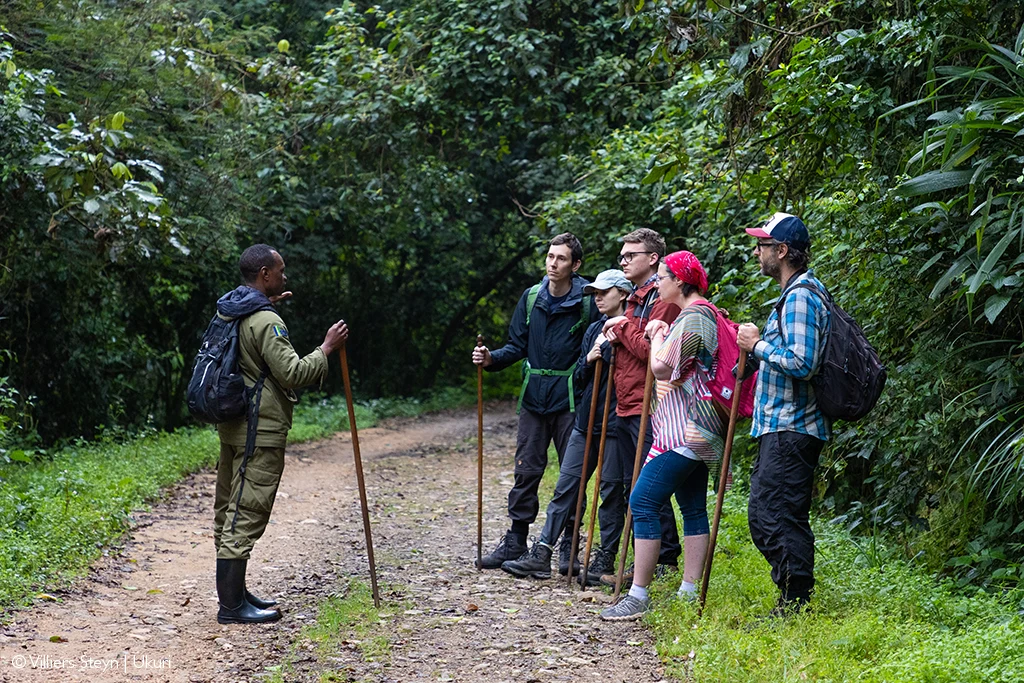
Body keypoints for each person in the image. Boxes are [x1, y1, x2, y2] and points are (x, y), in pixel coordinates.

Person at [213, 244, 349, 624]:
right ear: (265, 274)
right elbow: (292, 373)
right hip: (260, 429)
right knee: (247, 511)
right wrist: (326, 348)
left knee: (228, 509)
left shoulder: (231, 309)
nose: (285, 276)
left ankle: (237, 594)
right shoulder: (265, 320)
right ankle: (231, 607)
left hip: (232, 424)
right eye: (280, 271)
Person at [600, 252, 726, 621]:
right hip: (698, 429)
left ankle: (638, 595)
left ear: (680, 281)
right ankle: (688, 592)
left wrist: (656, 334)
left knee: (642, 503)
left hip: (685, 431)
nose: (658, 283)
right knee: (692, 508)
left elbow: (661, 368)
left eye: (663, 276)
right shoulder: (702, 315)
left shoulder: (694, 316)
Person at [473, 233, 600, 570]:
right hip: (533, 399)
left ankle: (568, 547)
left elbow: (595, 348)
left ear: (575, 265)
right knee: (526, 470)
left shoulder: (587, 302)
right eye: (550, 256)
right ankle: (516, 541)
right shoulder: (532, 298)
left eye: (561, 258)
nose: (553, 263)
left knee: (573, 475)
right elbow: (517, 346)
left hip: (571, 399)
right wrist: (491, 358)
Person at [500, 269, 631, 582]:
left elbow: (633, 373)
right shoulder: (594, 328)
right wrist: (590, 359)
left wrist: (610, 353)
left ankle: (604, 559)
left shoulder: (632, 328)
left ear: (623, 294)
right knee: (566, 486)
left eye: (604, 292)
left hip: (616, 423)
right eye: (595, 293)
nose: (597, 298)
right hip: (585, 421)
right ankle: (542, 552)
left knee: (611, 491)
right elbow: (578, 378)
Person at [736, 213, 831, 614]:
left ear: (782, 250)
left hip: (792, 425)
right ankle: (793, 596)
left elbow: (802, 362)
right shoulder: (793, 294)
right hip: (781, 425)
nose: (756, 252)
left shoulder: (801, 297)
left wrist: (756, 346)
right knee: (770, 512)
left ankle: (795, 601)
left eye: (762, 245)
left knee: (775, 514)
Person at [598, 229, 682, 586]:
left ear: (652, 258)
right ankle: (647, 559)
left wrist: (621, 327)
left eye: (630, 255)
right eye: (622, 256)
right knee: (634, 484)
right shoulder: (634, 299)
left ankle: (664, 560)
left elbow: (654, 353)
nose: (624, 261)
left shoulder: (663, 299)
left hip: (649, 404)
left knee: (650, 486)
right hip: (627, 402)